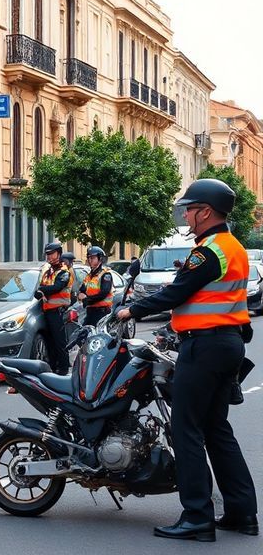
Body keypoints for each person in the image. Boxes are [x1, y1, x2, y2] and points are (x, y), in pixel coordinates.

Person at [117, 178, 258, 541]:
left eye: (191, 209)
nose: (187, 216)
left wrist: (131, 310)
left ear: (206, 212)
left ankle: (197, 517)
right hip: (225, 344)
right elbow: (202, 292)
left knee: (186, 429)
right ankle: (243, 512)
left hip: (205, 346)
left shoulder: (208, 250)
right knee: (215, 429)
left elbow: (176, 293)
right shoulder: (232, 247)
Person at [35, 242, 72, 374]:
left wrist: (42, 290)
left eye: (52, 254)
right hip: (47, 312)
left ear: (59, 254)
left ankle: (63, 369)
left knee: (59, 342)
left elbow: (57, 287)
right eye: (47, 254)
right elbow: (37, 291)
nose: (49, 257)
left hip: (58, 312)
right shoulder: (47, 272)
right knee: (50, 342)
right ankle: (53, 367)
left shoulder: (64, 271)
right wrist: (41, 291)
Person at [78, 246, 114, 327]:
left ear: (100, 259)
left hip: (101, 312)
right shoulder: (89, 276)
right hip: (90, 311)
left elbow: (103, 293)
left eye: (93, 258)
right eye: (89, 258)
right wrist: (81, 295)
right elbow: (82, 290)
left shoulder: (105, 275)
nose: (90, 260)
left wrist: (87, 299)